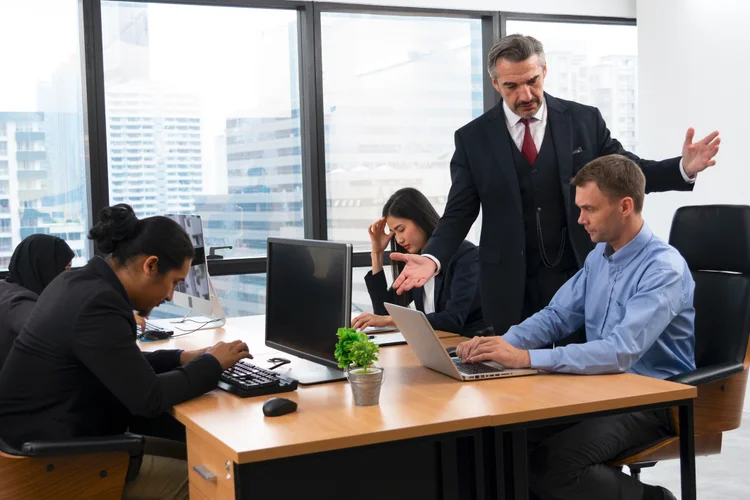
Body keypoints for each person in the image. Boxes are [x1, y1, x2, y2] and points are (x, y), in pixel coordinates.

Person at [389, 34, 719, 339]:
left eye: (532, 81)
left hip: (576, 274)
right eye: (511, 86)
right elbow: (459, 212)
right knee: (514, 375)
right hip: (508, 285)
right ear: (495, 83)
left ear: (544, 70)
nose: (525, 95)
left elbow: (628, 171)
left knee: (579, 370)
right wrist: (433, 257)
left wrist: (681, 169)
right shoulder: (473, 138)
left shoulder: (583, 121)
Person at [456, 155, 694, 500]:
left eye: (589, 209)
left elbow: (619, 351)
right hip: (600, 389)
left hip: (651, 401)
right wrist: (498, 345)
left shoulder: (663, 269)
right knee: (503, 439)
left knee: (553, 466)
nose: (580, 219)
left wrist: (526, 358)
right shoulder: (600, 255)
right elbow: (557, 315)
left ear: (625, 206)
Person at [0, 204, 251, 500]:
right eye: (173, 283)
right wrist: (211, 364)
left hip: (42, 442)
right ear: (150, 265)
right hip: (50, 465)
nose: (170, 296)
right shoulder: (99, 304)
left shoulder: (76, 283)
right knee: (220, 483)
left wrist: (181, 358)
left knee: (199, 455)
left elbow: (118, 364)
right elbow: (149, 398)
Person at [351, 188, 484, 335]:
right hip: (436, 344)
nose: (399, 239)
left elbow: (452, 320)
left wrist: (392, 320)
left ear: (420, 219)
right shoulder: (416, 260)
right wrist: (377, 253)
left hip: (468, 345)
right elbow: (382, 313)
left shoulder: (465, 255)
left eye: (401, 229)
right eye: (394, 233)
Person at [0, 234, 75, 368]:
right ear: (45, 267)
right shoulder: (20, 304)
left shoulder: (6, 289)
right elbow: (56, 341)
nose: (68, 277)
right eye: (66, 269)